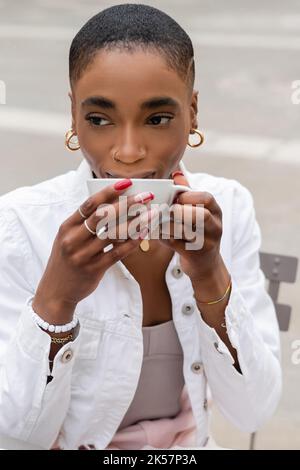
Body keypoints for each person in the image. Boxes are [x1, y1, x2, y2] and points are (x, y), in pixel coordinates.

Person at [0, 4, 281, 450]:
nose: (128, 152)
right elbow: (18, 435)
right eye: (99, 119)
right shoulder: (21, 225)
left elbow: (253, 410)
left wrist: (209, 274)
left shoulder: (228, 207)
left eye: (158, 118)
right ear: (74, 117)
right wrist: (56, 299)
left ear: (192, 113)